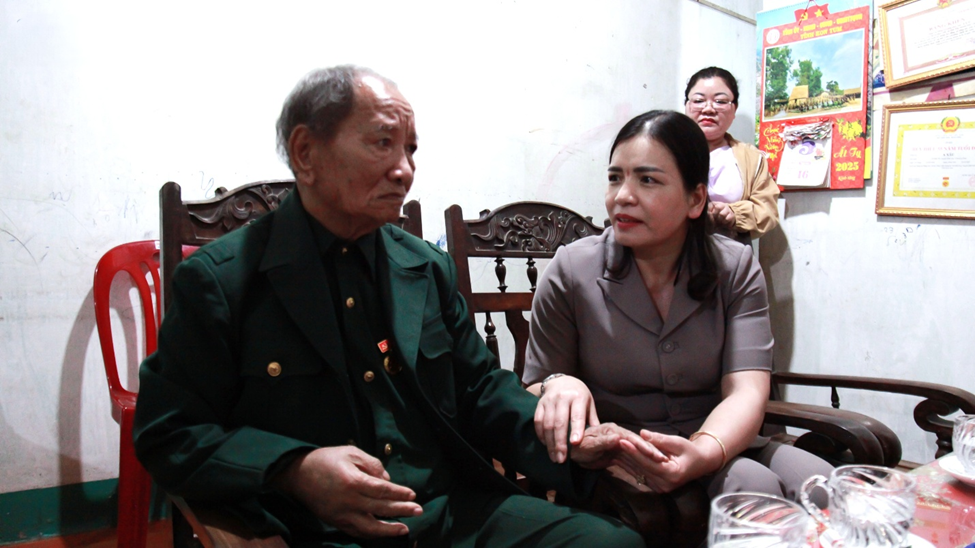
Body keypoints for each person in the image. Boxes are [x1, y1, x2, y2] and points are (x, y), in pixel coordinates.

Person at [133, 65, 647, 548]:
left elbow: (479, 392)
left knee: (613, 543)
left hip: (447, 512)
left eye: (411, 150)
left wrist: (569, 443)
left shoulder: (423, 268)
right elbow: (169, 434)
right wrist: (294, 469)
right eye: (383, 143)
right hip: (313, 528)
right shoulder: (223, 281)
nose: (405, 171)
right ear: (306, 152)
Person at [524, 110, 832, 502]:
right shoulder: (572, 269)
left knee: (829, 486)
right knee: (754, 488)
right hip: (620, 449)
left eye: (647, 180)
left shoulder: (734, 267)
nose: (622, 196)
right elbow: (537, 383)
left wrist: (704, 450)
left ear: (695, 199)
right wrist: (557, 383)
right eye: (615, 178)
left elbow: (746, 391)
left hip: (719, 433)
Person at [684, 67, 779, 244]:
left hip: (732, 253)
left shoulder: (751, 158)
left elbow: (768, 210)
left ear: (734, 109)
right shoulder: (666, 152)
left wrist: (735, 214)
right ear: (687, 106)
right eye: (699, 100)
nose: (708, 109)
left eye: (720, 101)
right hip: (671, 254)